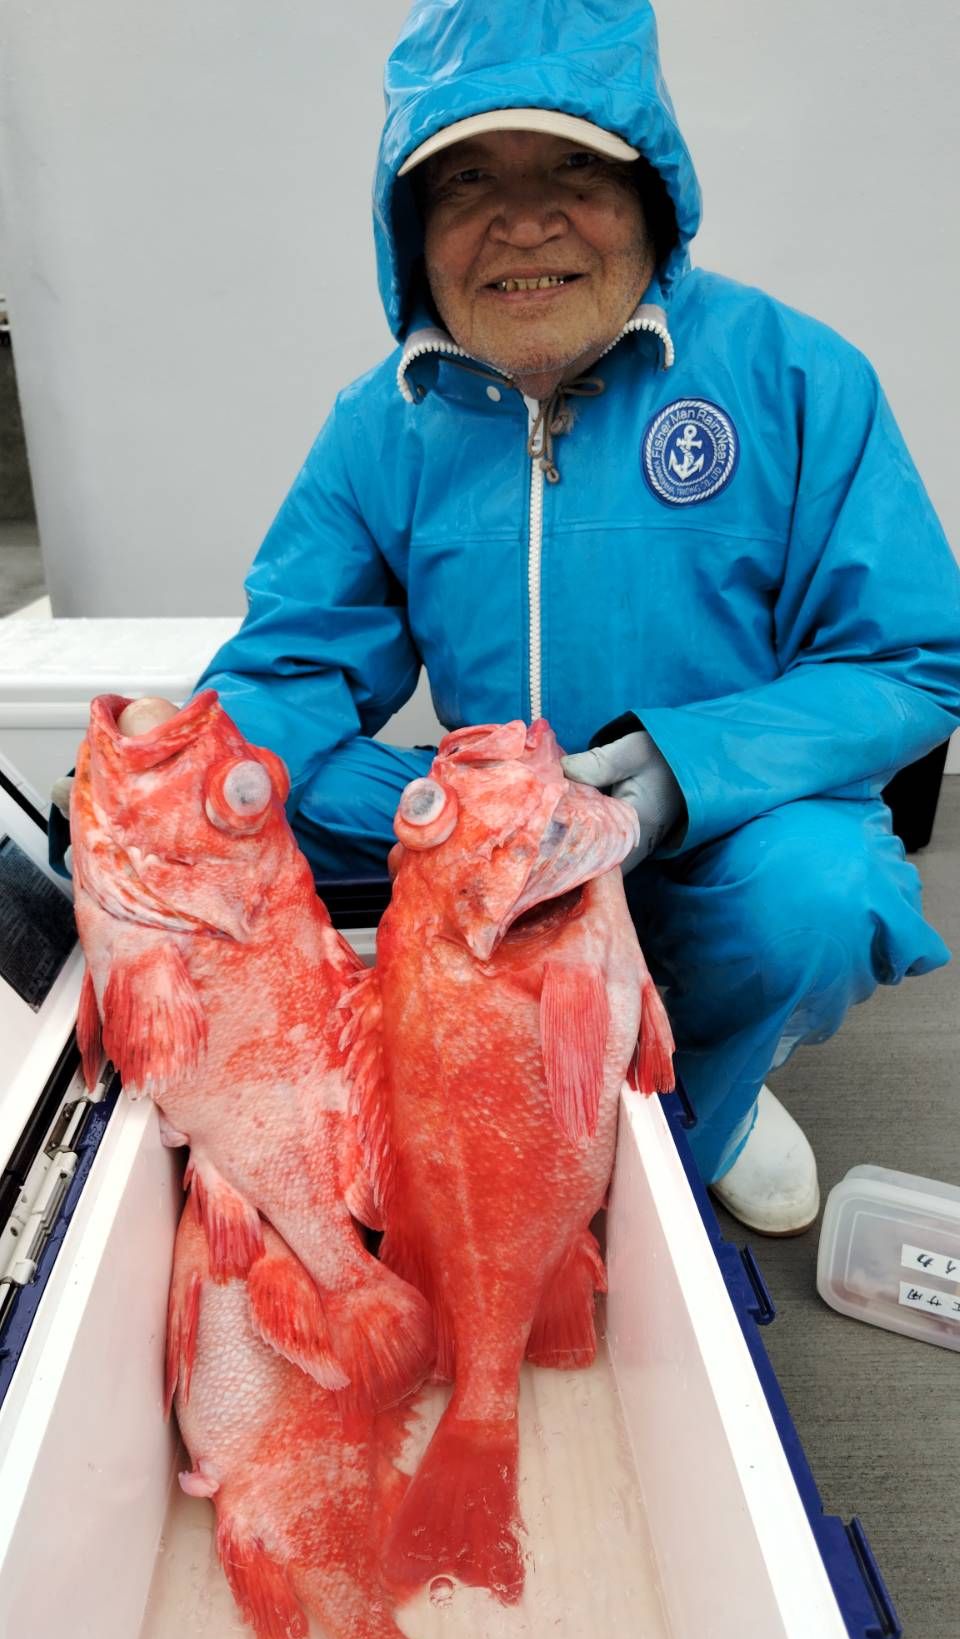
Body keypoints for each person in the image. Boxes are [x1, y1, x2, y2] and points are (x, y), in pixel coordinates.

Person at [192, 0, 960, 1233]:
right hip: (488, 838)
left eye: (574, 169)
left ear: (652, 190)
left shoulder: (798, 376)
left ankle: (703, 1093)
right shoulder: (381, 423)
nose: (524, 221)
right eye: (467, 180)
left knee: (819, 894)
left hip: (718, 829)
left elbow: (910, 656)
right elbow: (292, 666)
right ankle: (485, 1048)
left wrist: (672, 773)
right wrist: (189, 790)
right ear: (411, 224)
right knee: (240, 796)